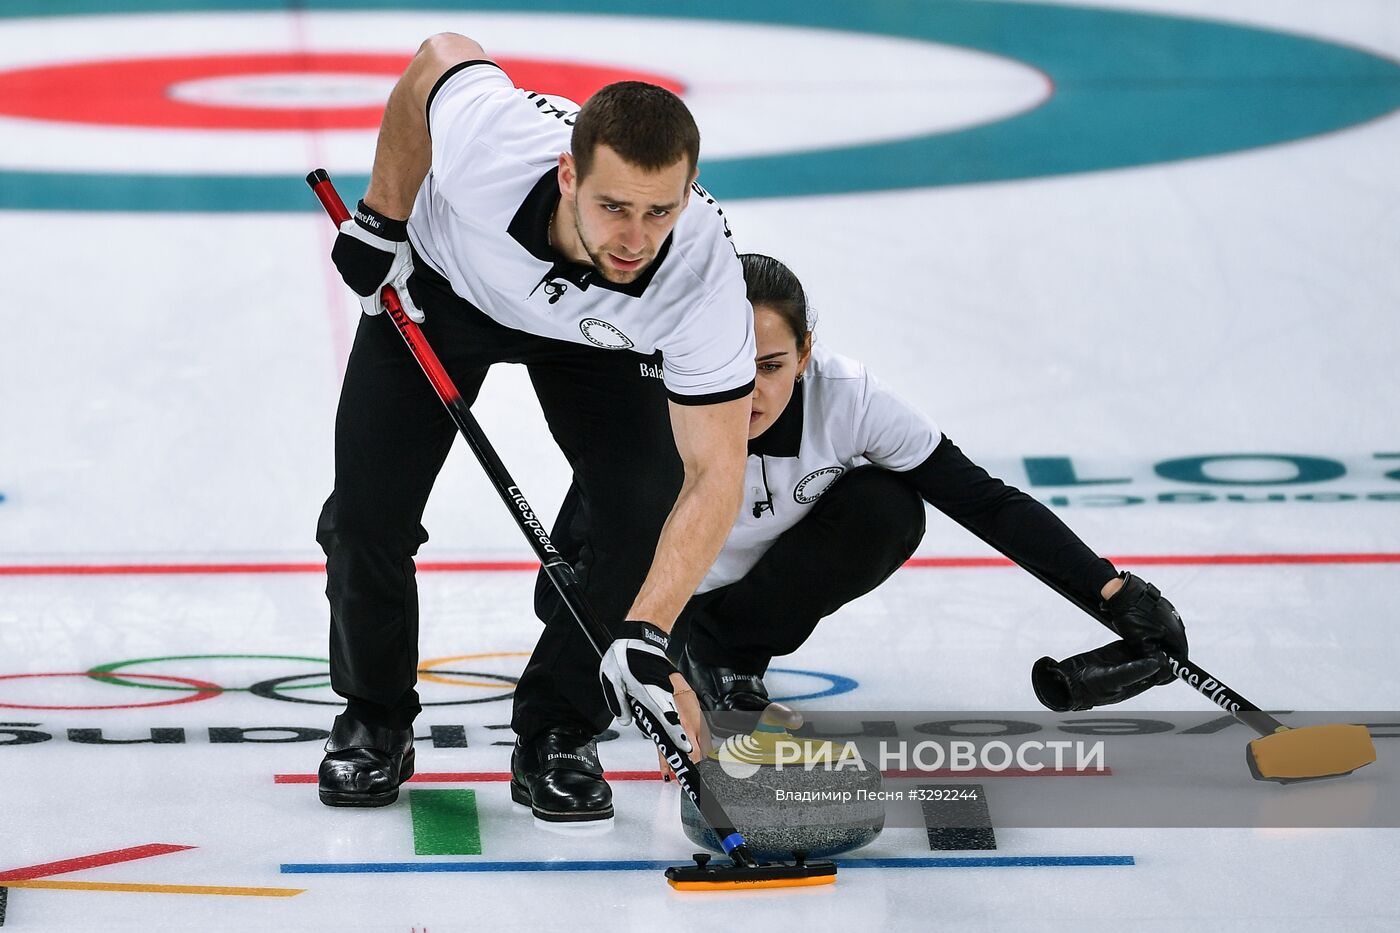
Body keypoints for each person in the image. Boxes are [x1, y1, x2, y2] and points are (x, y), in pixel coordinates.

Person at [316, 34, 756, 824]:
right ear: (567, 174)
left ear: (689, 195)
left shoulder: (700, 273)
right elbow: (436, 60)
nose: (634, 237)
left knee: (640, 514)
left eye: (660, 210)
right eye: (612, 206)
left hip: (598, 336)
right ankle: (375, 714)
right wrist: (382, 217)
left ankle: (559, 730)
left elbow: (714, 473)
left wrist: (649, 630)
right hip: (443, 292)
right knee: (365, 516)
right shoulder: (496, 147)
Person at [669, 254, 1188, 715]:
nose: (750, 389)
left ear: (804, 355)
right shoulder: (658, 390)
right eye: (733, 363)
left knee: (886, 507)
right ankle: (662, 644)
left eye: (771, 365)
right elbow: (601, 524)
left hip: (734, 604)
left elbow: (984, 503)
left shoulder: (849, 398)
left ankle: (725, 653)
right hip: (654, 597)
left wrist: (1116, 595)